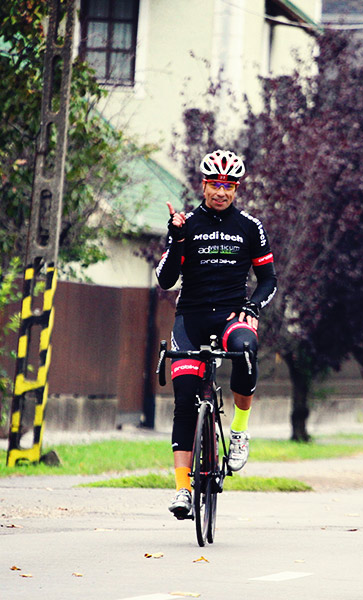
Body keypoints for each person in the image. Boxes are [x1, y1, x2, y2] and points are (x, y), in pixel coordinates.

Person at [156, 149, 277, 518]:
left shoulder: (250, 227)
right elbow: (165, 280)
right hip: (190, 319)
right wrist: (176, 239)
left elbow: (268, 279)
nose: (221, 192)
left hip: (231, 315)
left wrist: (252, 307)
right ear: (204, 185)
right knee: (185, 399)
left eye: (228, 185)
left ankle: (239, 431)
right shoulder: (186, 223)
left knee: (246, 347)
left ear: (236, 188)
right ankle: (182, 490)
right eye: (214, 185)